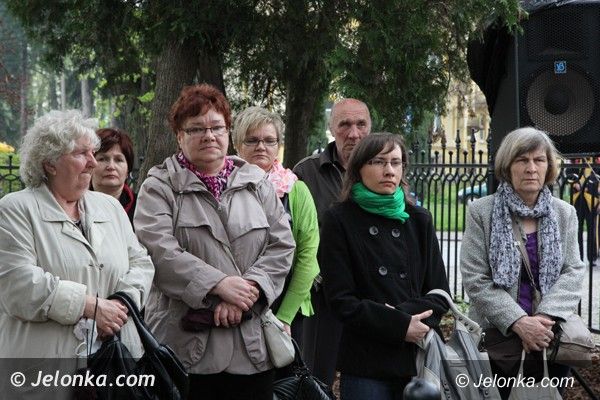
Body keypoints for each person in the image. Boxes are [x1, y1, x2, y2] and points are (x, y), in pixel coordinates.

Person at [134, 84, 295, 400]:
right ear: (179, 136)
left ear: (227, 132)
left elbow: (282, 246)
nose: (208, 136)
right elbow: (158, 251)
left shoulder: (256, 182)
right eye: (196, 128)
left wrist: (246, 293)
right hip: (184, 348)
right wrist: (219, 285)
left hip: (251, 346)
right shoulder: (159, 187)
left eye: (216, 127)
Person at [0, 110, 154, 399]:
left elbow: (142, 263)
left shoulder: (109, 207)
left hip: (113, 367)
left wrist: (120, 304)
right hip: (43, 374)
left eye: (92, 152)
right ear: (50, 163)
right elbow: (17, 285)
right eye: (82, 153)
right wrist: (90, 306)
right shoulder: (15, 209)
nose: (93, 162)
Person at [319, 133, 450, 400]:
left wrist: (404, 320)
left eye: (395, 162)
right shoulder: (339, 220)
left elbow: (439, 294)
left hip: (417, 360)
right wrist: (398, 325)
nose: (389, 170)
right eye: (378, 162)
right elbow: (341, 300)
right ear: (359, 168)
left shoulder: (419, 219)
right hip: (366, 362)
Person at [460, 127, 585, 399]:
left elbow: (573, 270)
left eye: (539, 160)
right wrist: (518, 322)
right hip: (498, 340)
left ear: (548, 166)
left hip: (550, 339)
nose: (531, 168)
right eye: (522, 160)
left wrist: (543, 319)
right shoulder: (481, 211)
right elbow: (474, 277)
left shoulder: (564, 213)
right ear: (507, 166)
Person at [293, 98, 371, 386]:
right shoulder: (306, 173)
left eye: (361, 124)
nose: (354, 133)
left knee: (365, 381)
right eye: (344, 125)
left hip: (370, 297)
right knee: (315, 379)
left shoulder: (385, 168)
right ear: (331, 128)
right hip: (322, 297)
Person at [233, 106, 319, 346]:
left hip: (286, 310)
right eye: (252, 140)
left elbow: (307, 257)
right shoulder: (224, 188)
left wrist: (285, 317)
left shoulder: (296, 190)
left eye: (269, 141)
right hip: (235, 306)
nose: (261, 147)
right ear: (237, 145)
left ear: (278, 145)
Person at [91, 128, 137, 223]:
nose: (111, 166)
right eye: (102, 159)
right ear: (89, 165)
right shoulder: (75, 206)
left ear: (128, 170)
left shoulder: (142, 207)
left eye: (118, 160)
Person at [568, 157, 600, 265]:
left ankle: (592, 257)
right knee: (577, 229)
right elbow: (568, 173)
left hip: (592, 200)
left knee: (592, 230)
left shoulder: (596, 160)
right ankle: (578, 257)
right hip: (577, 199)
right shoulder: (576, 159)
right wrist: (575, 183)